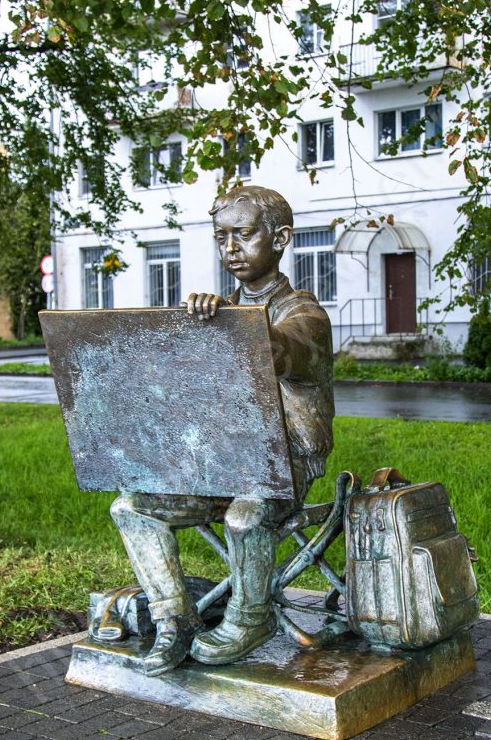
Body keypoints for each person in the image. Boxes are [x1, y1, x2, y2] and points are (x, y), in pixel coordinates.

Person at [110, 185, 334, 675]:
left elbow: (281, 352)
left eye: (244, 234)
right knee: (131, 507)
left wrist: (226, 323)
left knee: (246, 515)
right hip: (219, 465)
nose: (230, 248)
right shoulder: (215, 313)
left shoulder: (305, 314)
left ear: (280, 239)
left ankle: (252, 617)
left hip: (282, 469)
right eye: (221, 237)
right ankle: (174, 620)